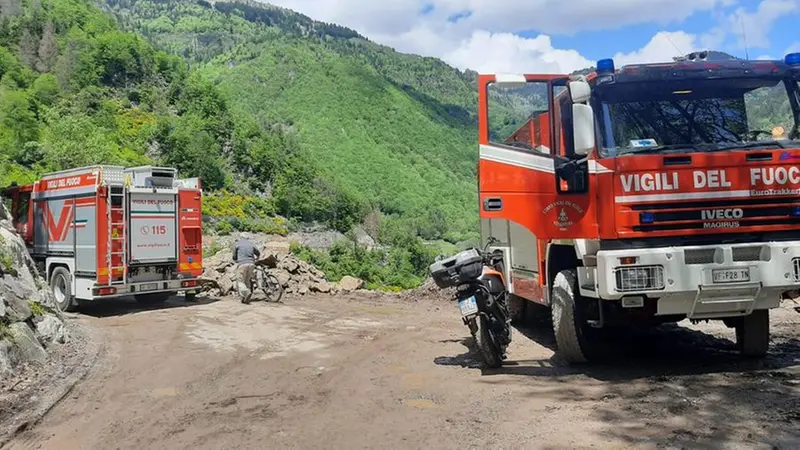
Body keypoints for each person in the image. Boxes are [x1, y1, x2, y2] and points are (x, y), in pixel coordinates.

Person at [233, 232, 260, 303]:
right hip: (251, 264)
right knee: (247, 280)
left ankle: (246, 292)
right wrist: (257, 258)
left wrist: (235, 259)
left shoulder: (237, 244)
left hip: (242, 264)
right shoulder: (251, 244)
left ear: (241, 237)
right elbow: (257, 252)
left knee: (240, 280)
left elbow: (234, 255)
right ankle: (246, 298)